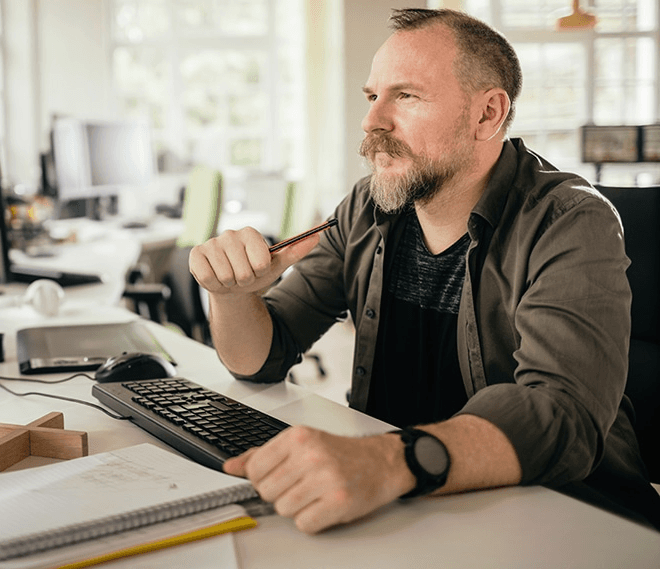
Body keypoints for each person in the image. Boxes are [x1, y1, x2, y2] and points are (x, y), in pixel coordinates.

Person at [189, 8, 660, 533]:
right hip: (410, 504)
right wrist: (231, 296)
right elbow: (263, 358)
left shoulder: (570, 220)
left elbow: (562, 416)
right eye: (372, 97)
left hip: (565, 519)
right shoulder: (368, 206)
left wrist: (392, 460)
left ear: (488, 115)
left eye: (406, 96)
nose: (372, 121)